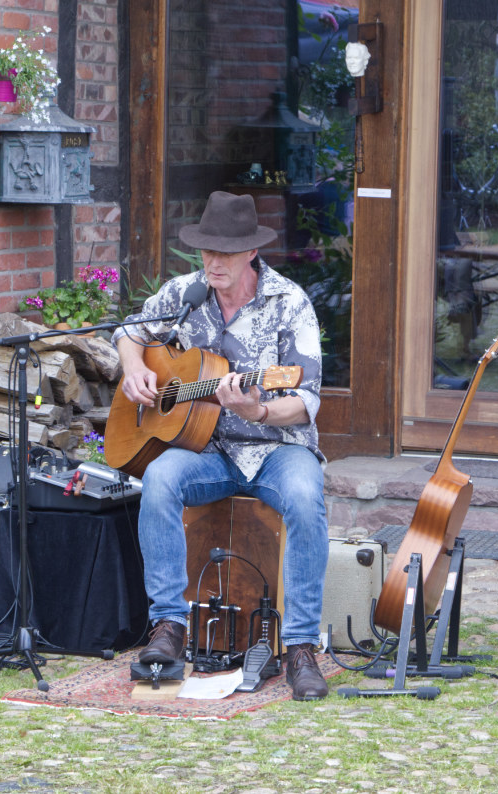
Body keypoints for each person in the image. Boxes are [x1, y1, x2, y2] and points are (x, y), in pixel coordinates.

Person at [112, 191, 330, 701]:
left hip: (277, 448)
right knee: (159, 478)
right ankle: (169, 627)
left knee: (305, 496)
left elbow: (305, 400)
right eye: (207, 251)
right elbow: (129, 331)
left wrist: (257, 410)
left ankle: (299, 646)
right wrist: (135, 367)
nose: (213, 263)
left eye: (225, 253)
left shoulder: (289, 302)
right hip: (207, 450)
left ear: (251, 251)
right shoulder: (186, 292)